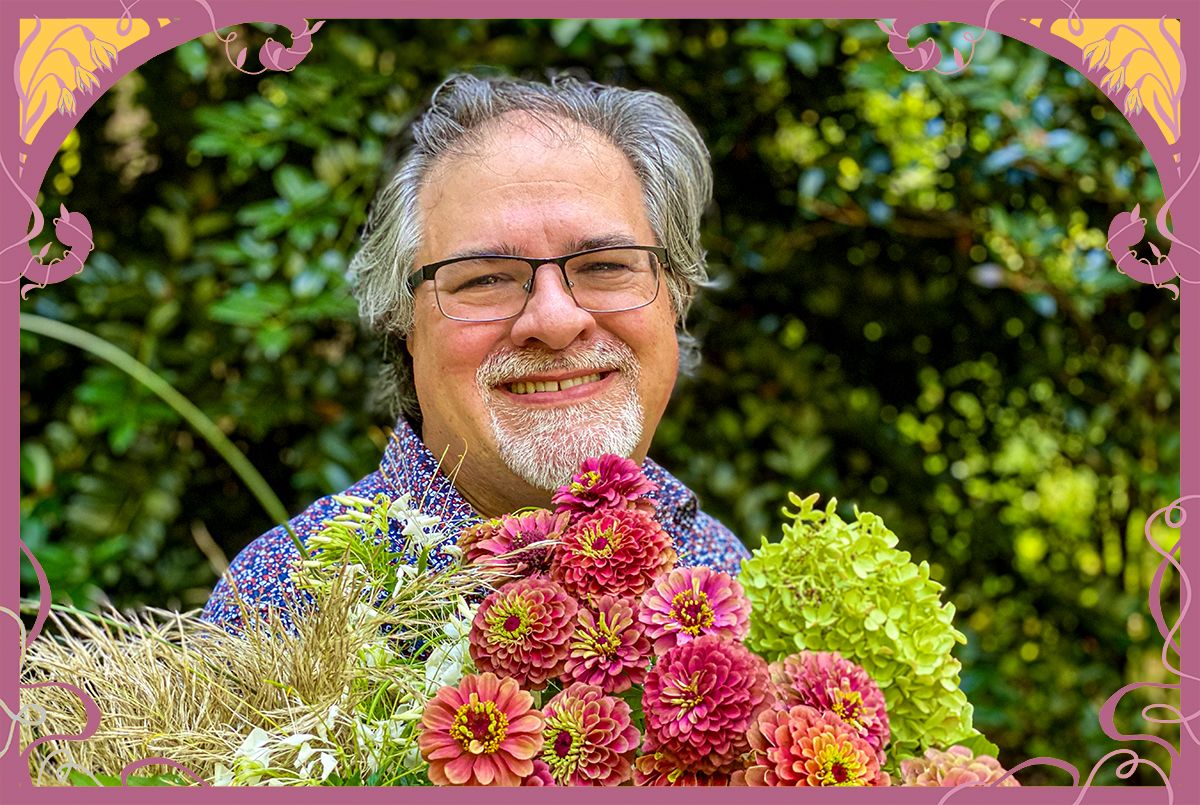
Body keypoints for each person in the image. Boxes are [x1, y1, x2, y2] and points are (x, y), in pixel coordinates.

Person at [202, 73, 748, 630]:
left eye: (605, 266)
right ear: (404, 323)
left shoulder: (723, 569)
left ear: (676, 295)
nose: (555, 321)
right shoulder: (283, 603)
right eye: (486, 279)